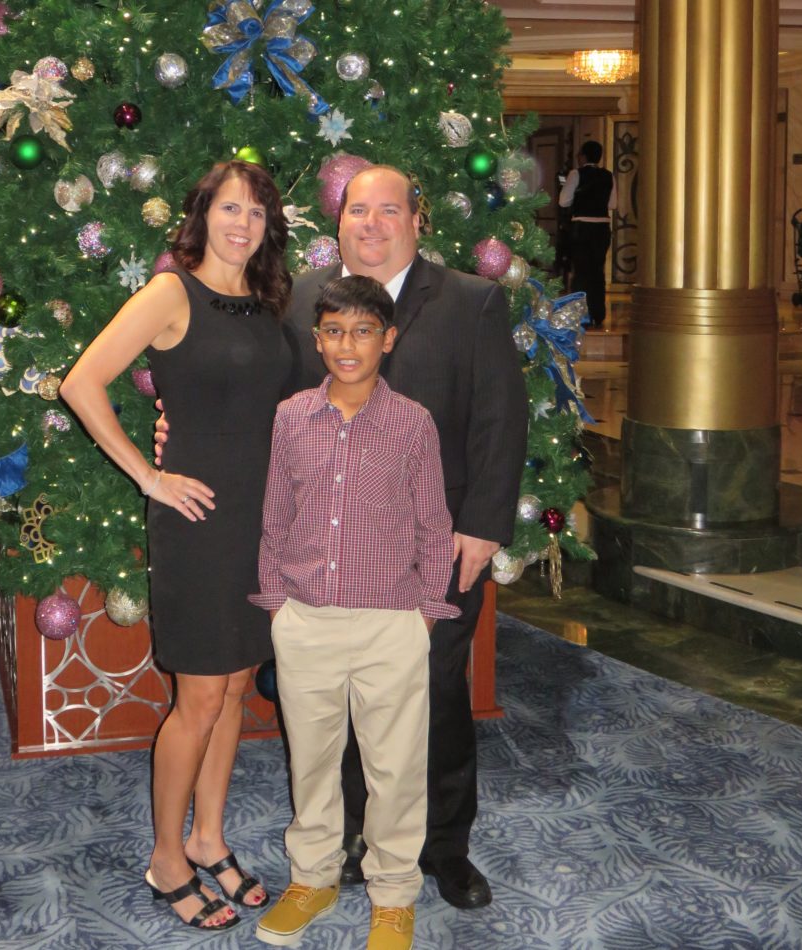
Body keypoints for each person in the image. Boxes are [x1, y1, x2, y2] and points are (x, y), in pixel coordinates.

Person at [284, 166, 529, 911]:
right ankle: (360, 836)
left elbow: (499, 420)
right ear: (338, 224)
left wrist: (483, 527)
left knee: (435, 696)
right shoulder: (302, 298)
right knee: (349, 697)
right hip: (334, 546)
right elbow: (275, 402)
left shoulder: (471, 301)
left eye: (389, 210)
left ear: (417, 221)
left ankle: (445, 849)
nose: (373, 223)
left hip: (439, 545)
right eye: (359, 210)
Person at [60, 160, 293, 932]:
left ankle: (209, 835)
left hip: (261, 519)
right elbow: (82, 382)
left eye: (257, 214)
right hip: (197, 521)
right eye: (230, 208)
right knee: (197, 697)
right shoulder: (171, 292)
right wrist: (148, 477)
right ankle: (166, 856)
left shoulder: (265, 302)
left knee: (234, 688)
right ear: (203, 214)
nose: (242, 224)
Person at [250, 276, 459, 949]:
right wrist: (279, 605)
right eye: (335, 331)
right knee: (310, 760)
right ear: (318, 340)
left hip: (390, 623)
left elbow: (433, 523)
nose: (348, 344)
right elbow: (275, 516)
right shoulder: (290, 418)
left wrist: (424, 612)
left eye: (364, 331)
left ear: (387, 339)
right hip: (306, 620)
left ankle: (394, 893)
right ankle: (312, 876)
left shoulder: (412, 423)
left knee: (394, 767)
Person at [558, 140, 617, 328]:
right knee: (597, 272)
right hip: (602, 228)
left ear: (583, 156)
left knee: (581, 272)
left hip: (581, 228)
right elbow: (612, 205)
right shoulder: (608, 175)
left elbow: (563, 201)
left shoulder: (576, 174)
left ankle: (581, 315)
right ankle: (598, 313)